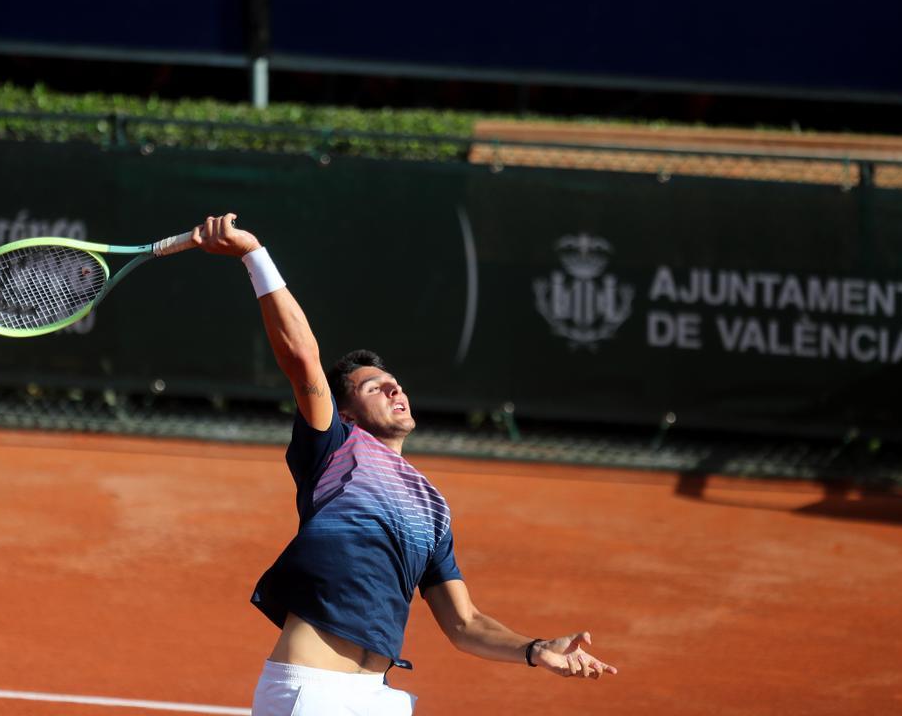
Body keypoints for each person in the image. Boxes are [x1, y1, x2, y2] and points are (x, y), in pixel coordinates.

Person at [192, 213, 617, 715]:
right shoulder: (333, 448)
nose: (395, 388)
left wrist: (534, 649)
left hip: (378, 698)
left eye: (396, 383)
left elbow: (465, 624)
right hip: (313, 693)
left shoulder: (431, 509)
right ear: (345, 410)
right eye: (375, 387)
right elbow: (302, 355)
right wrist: (252, 254)